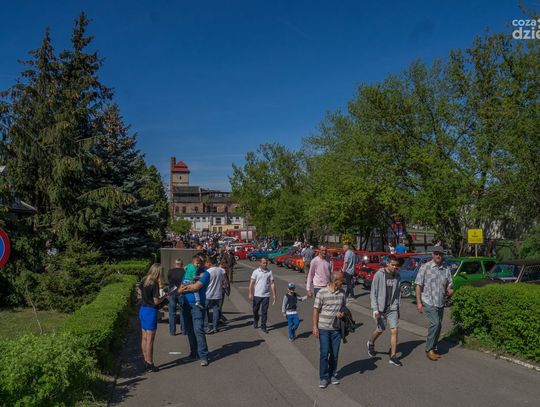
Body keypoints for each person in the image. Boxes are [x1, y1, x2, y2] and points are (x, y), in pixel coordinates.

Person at [415, 245, 454, 361]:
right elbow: (418, 285)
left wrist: (450, 289)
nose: (438, 256)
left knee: (439, 325)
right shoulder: (425, 267)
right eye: (436, 253)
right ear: (432, 254)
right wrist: (419, 303)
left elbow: (449, 283)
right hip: (429, 300)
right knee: (435, 323)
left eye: (440, 254)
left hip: (440, 301)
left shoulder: (446, 269)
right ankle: (428, 349)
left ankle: (434, 346)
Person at [312, 272, 346, 389]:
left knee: (334, 354)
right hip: (324, 329)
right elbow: (316, 310)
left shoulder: (342, 293)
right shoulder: (321, 293)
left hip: (336, 329)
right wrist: (315, 327)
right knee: (324, 353)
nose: (343, 281)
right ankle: (323, 377)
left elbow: (344, 308)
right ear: (336, 281)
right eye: (342, 280)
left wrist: (342, 313)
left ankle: (332, 375)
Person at [367, 255, 402, 366]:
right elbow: (373, 292)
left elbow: (398, 294)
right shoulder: (379, 274)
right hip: (380, 308)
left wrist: (397, 307)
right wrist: (375, 309)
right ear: (387, 264)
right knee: (380, 329)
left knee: (394, 330)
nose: (394, 267)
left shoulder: (397, 276)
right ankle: (371, 342)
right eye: (392, 265)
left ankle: (393, 356)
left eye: (396, 265)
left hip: (392, 308)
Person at [178, 256, 211, 366]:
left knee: (198, 330)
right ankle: (193, 353)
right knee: (190, 331)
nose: (198, 264)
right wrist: (183, 288)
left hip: (197, 306)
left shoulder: (205, 274)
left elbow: (196, 287)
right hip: (186, 304)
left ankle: (203, 356)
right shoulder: (188, 271)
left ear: (203, 263)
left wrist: (184, 288)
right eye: (197, 262)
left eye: (200, 262)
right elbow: (180, 288)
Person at [139, 263, 168, 372]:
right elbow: (156, 301)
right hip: (150, 311)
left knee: (144, 338)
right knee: (150, 340)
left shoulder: (144, 280)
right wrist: (164, 296)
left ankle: (145, 360)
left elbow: (139, 291)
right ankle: (150, 363)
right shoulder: (154, 283)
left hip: (142, 309)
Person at [248, 258, 277, 334]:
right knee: (255, 310)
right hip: (257, 295)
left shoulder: (269, 272)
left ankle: (263, 326)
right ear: (260, 263)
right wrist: (250, 293)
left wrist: (274, 295)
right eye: (264, 263)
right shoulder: (256, 272)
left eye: (266, 263)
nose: (265, 264)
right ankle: (256, 320)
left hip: (266, 295)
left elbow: (272, 283)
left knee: (264, 311)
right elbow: (251, 283)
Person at [204, 257, 228, 334]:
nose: (205, 264)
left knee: (205, 310)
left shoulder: (208, 272)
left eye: (206, 263)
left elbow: (204, 283)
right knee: (216, 310)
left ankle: (206, 326)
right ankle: (215, 327)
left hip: (208, 294)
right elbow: (224, 282)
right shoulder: (221, 270)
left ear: (209, 263)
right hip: (218, 293)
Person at [168, 259, 186, 336]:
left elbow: (169, 281)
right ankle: (184, 331)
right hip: (182, 292)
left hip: (172, 292)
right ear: (182, 264)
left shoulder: (170, 271)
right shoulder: (184, 272)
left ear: (175, 264)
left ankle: (172, 331)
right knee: (183, 313)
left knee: (172, 313)